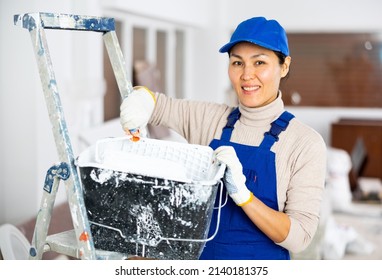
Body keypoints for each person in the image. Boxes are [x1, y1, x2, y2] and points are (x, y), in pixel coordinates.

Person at [120, 16, 327, 260]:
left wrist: (244, 196)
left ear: (284, 66)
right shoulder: (210, 118)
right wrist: (141, 100)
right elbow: (158, 104)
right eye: (237, 63)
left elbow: (300, 237)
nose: (247, 75)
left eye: (259, 62)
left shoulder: (305, 143)